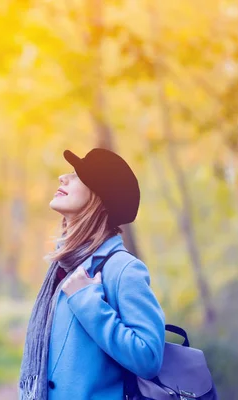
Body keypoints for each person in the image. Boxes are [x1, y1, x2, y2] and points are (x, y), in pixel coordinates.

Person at [18, 148, 166, 400]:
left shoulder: (123, 269)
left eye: (77, 175)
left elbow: (148, 357)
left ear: (100, 196)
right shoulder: (64, 265)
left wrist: (88, 302)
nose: (63, 178)